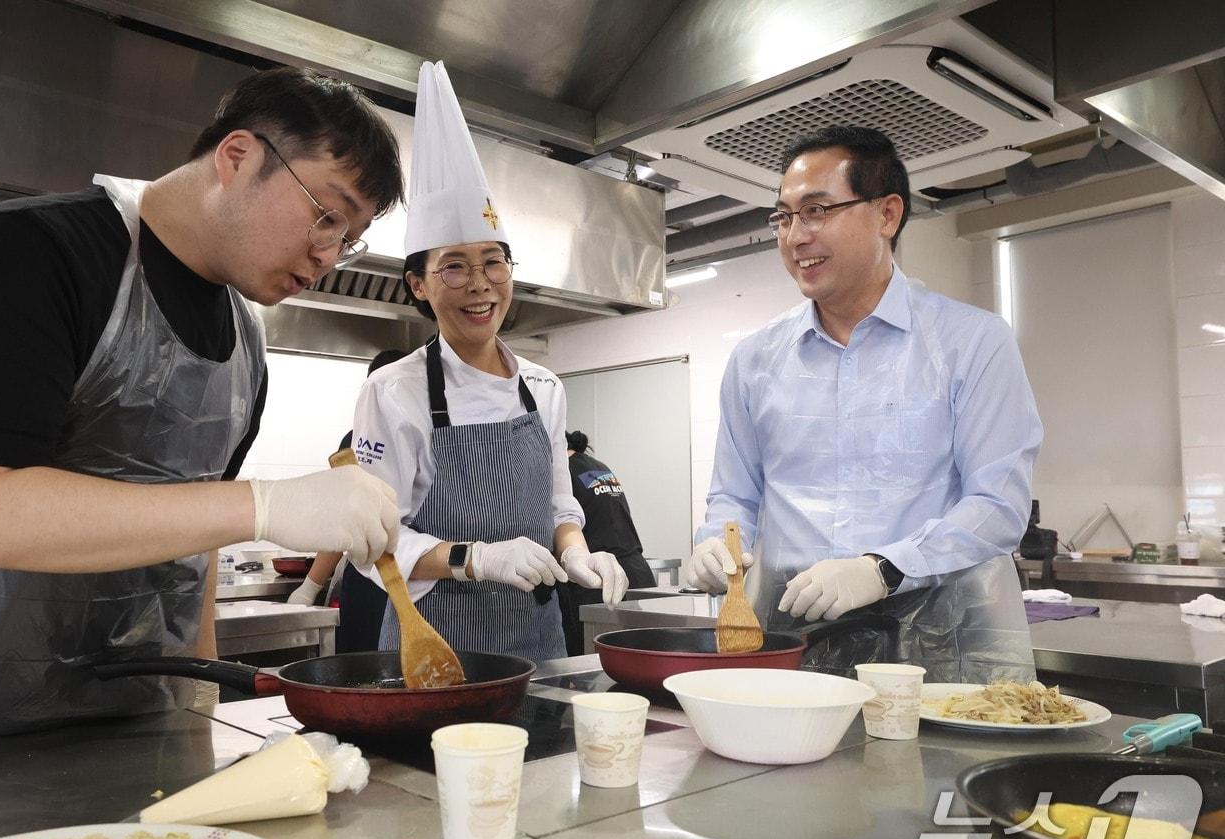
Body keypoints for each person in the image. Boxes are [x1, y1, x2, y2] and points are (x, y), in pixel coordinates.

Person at [0, 67, 407, 744]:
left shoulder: (245, 343)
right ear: (238, 156)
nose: (329, 254)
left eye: (348, 239)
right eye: (326, 215)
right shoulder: (28, 252)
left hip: (131, 731)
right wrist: (265, 505)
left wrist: (199, 708)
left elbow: (199, 554)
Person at [680, 125, 1042, 683]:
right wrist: (716, 542)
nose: (795, 236)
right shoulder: (755, 360)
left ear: (887, 215)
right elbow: (736, 494)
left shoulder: (969, 342)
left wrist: (883, 568)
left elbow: (998, 505)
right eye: (784, 217)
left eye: (816, 211)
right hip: (794, 634)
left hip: (938, 639)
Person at [350, 62, 627, 663]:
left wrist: (577, 551)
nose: (480, 284)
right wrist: (474, 559)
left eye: (493, 261)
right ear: (418, 284)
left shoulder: (543, 387)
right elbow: (373, 543)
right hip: (434, 648)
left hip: (539, 644)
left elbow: (559, 506)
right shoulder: (394, 391)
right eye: (454, 266)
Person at [289, 348, 406, 657]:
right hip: (369, 584)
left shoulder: (426, 438)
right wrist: (309, 588)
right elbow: (343, 522)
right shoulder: (355, 444)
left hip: (412, 580)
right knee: (367, 671)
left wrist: (310, 586)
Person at [556, 431, 656, 655]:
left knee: (595, 664)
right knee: (641, 657)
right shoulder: (597, 466)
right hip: (638, 574)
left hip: (598, 581)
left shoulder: (563, 473)